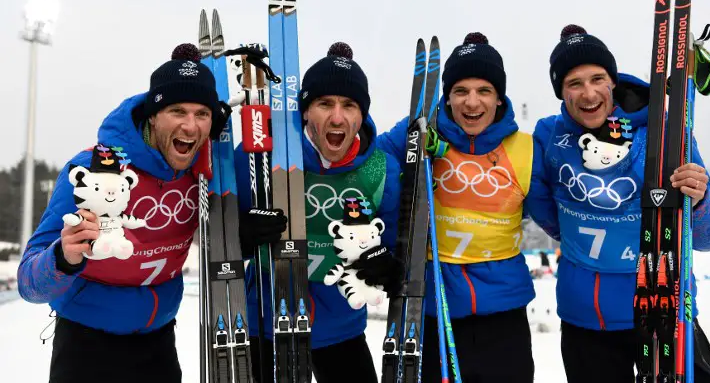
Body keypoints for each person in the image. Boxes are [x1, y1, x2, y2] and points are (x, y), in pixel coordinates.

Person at [17, 44, 232, 382]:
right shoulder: (93, 172)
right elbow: (29, 283)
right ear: (153, 115)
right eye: (177, 111)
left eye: (201, 114)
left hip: (158, 343)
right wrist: (63, 258)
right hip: (86, 346)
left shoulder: (208, 170)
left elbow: (233, 230)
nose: (190, 127)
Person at [527, 24, 710, 382]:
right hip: (588, 320)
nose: (588, 93)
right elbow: (545, 211)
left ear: (613, 82)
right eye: (574, 83)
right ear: (561, 91)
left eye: (597, 79)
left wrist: (698, 203)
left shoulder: (666, 128)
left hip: (667, 309)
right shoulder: (548, 136)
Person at [235, 42, 402, 383]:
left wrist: (387, 263)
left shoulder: (381, 169)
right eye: (325, 104)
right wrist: (242, 236)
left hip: (341, 326)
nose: (337, 117)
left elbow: (393, 243)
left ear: (361, 113)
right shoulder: (261, 155)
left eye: (349, 105)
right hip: (267, 319)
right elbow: (218, 234)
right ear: (306, 110)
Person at [378, 32, 536, 382]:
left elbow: (556, 217)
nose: (472, 102)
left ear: (499, 99)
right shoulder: (417, 133)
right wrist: (408, 179)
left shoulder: (525, 149)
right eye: (461, 91)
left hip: (503, 312)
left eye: (484, 91)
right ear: (447, 98)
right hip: (433, 307)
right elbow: (373, 161)